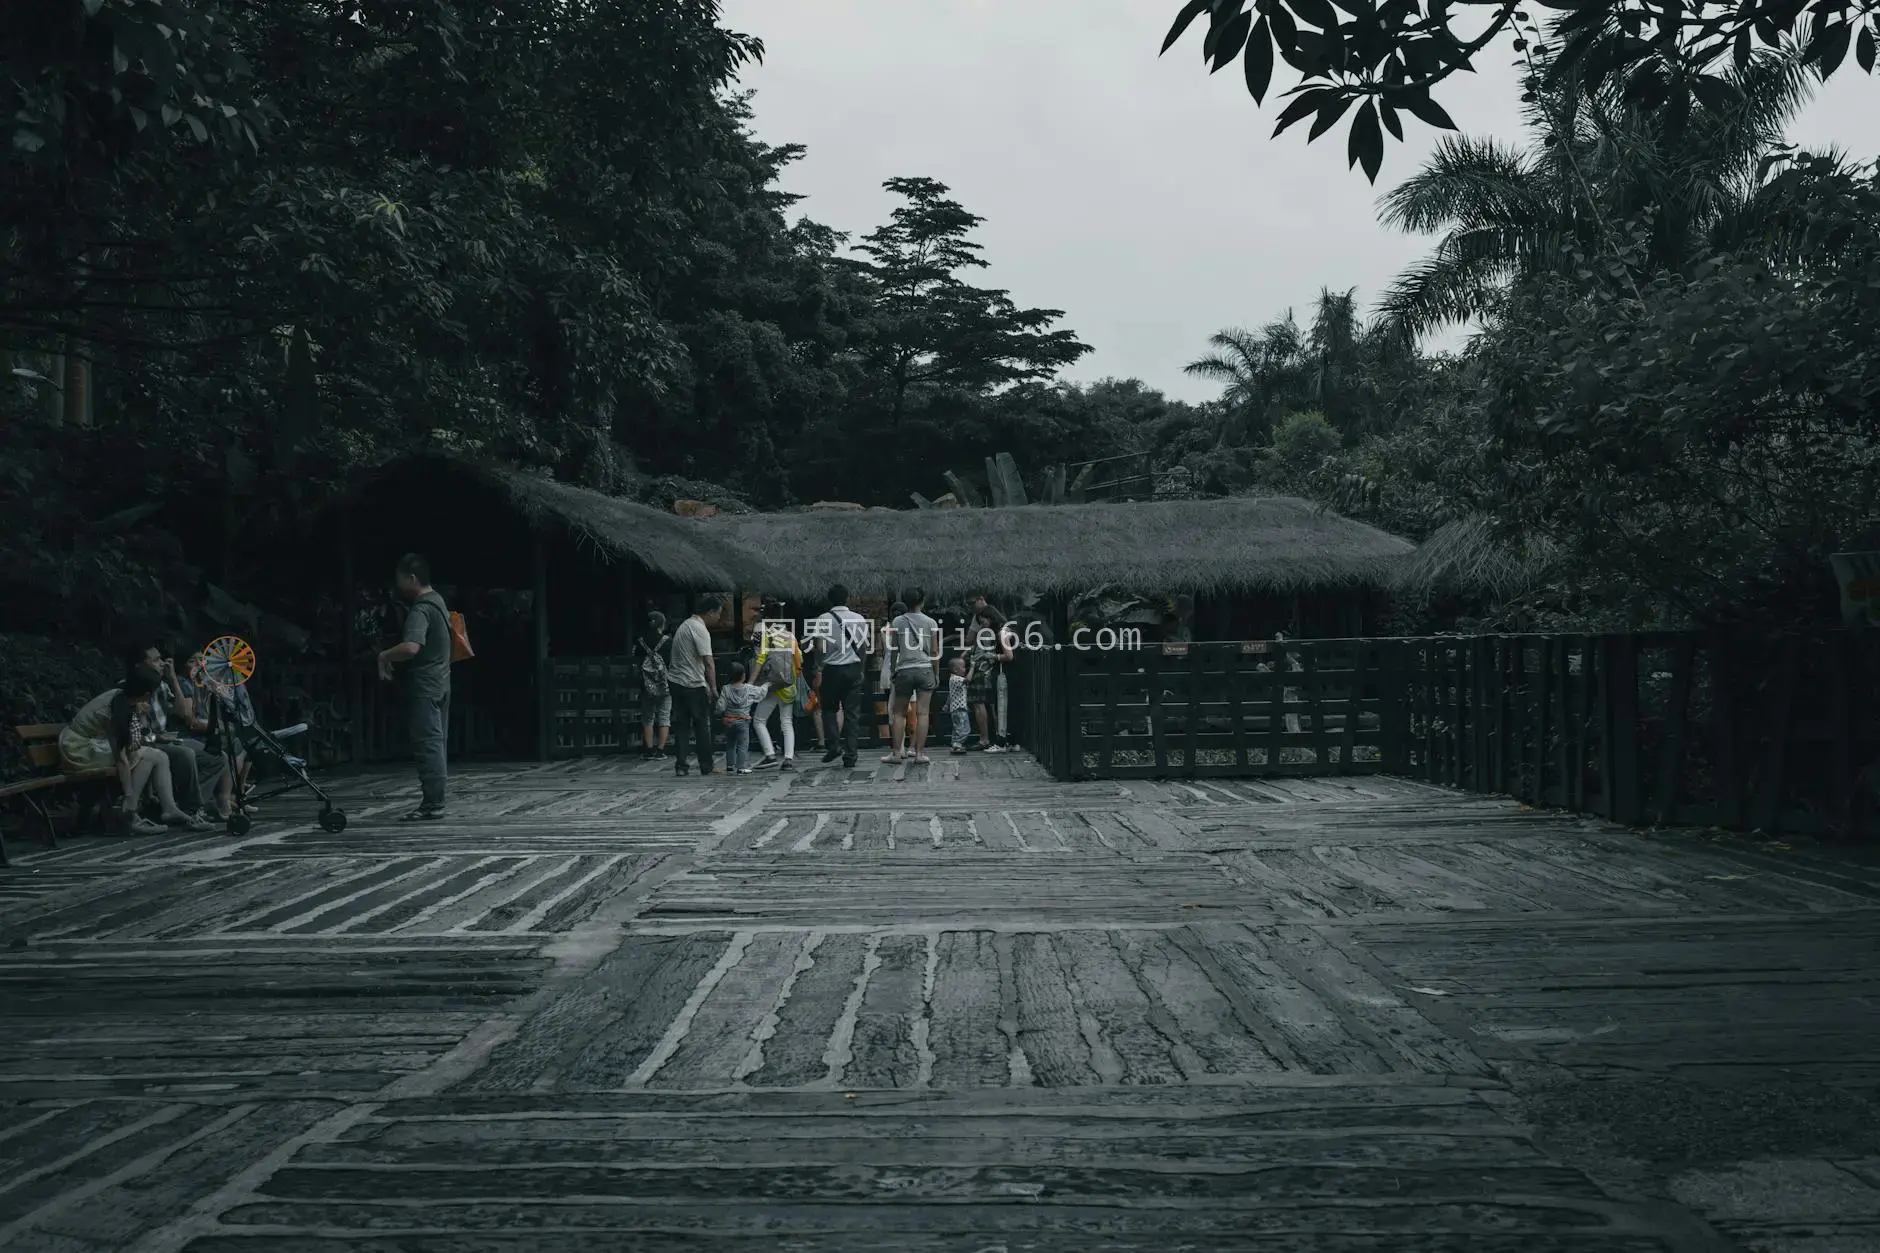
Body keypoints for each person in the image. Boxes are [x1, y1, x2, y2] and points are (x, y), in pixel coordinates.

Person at [60, 665, 211, 834]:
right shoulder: (117, 709)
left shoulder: (124, 699)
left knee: (159, 756)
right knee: (149, 756)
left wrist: (139, 715)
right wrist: (129, 794)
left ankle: (170, 809)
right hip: (79, 750)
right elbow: (122, 758)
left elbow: (136, 739)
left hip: (92, 744)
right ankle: (130, 813)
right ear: (147, 694)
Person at [378, 553, 452, 821]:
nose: (397, 585)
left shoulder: (421, 608)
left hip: (426, 684)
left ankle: (433, 803)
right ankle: (435, 799)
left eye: (399, 578)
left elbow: (411, 647)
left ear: (411, 578)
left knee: (428, 742)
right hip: (443, 680)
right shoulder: (439, 602)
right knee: (437, 741)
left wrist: (384, 656)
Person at [126, 640, 227, 822]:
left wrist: (172, 679)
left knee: (218, 757)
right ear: (140, 665)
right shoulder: (130, 688)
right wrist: (159, 738)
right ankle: (192, 809)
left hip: (165, 738)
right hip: (149, 742)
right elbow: (136, 733)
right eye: (156, 660)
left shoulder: (163, 686)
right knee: (185, 753)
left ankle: (189, 805)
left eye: (161, 659)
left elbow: (182, 712)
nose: (162, 664)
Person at [807, 584, 870, 768]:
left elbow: (819, 647)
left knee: (828, 709)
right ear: (847, 598)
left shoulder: (823, 619)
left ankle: (833, 744)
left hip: (831, 670)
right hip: (853, 668)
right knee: (852, 713)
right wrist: (861, 669)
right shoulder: (859, 619)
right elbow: (863, 648)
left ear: (829, 600)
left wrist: (818, 668)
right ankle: (851, 754)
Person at [882, 587, 941, 764]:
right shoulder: (930, 623)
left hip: (905, 670)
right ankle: (920, 754)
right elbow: (934, 651)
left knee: (899, 713)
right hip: (925, 669)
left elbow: (894, 650)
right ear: (922, 601)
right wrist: (936, 673)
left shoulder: (897, 622)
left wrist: (893, 671)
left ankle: (895, 753)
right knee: (923, 713)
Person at [667, 595, 721, 776]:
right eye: (718, 613)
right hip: (693, 683)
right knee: (702, 726)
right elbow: (709, 662)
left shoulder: (685, 625)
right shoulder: (699, 629)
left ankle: (681, 766)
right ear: (710, 612)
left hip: (676, 681)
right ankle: (706, 765)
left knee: (682, 726)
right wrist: (713, 688)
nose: (719, 618)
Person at [750, 606, 801, 771]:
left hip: (773, 685)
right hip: (789, 684)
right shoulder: (790, 636)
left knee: (758, 720)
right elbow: (799, 658)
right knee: (787, 722)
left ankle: (770, 755)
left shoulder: (768, 635)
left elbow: (761, 659)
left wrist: (751, 682)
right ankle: (788, 759)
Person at [965, 606, 1013, 752]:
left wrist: (990, 657)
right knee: (994, 706)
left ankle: (993, 740)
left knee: (989, 705)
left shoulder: (995, 634)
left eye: (983, 619)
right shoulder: (994, 633)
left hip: (989, 672)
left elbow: (1005, 655)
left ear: (991, 618)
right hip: (992, 672)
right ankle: (1001, 739)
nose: (982, 623)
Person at [715, 662, 769, 774]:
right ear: (743, 675)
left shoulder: (726, 689)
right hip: (743, 721)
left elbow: (720, 706)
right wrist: (766, 685)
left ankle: (730, 766)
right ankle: (741, 767)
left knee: (730, 744)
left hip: (729, 721)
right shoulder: (748, 688)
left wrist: (718, 712)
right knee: (743, 745)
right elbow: (760, 692)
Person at [638, 611, 674, 760]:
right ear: (662, 624)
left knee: (648, 717)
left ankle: (648, 750)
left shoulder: (640, 641)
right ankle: (661, 750)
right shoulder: (668, 641)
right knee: (664, 716)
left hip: (646, 685)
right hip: (664, 684)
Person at [945, 656, 971, 755]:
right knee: (965, 728)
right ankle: (957, 744)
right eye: (963, 667)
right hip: (959, 709)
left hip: (955, 709)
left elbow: (950, 694)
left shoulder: (952, 679)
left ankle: (955, 745)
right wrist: (972, 667)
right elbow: (968, 679)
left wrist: (946, 705)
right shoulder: (956, 678)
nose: (965, 669)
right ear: (956, 669)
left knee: (957, 728)